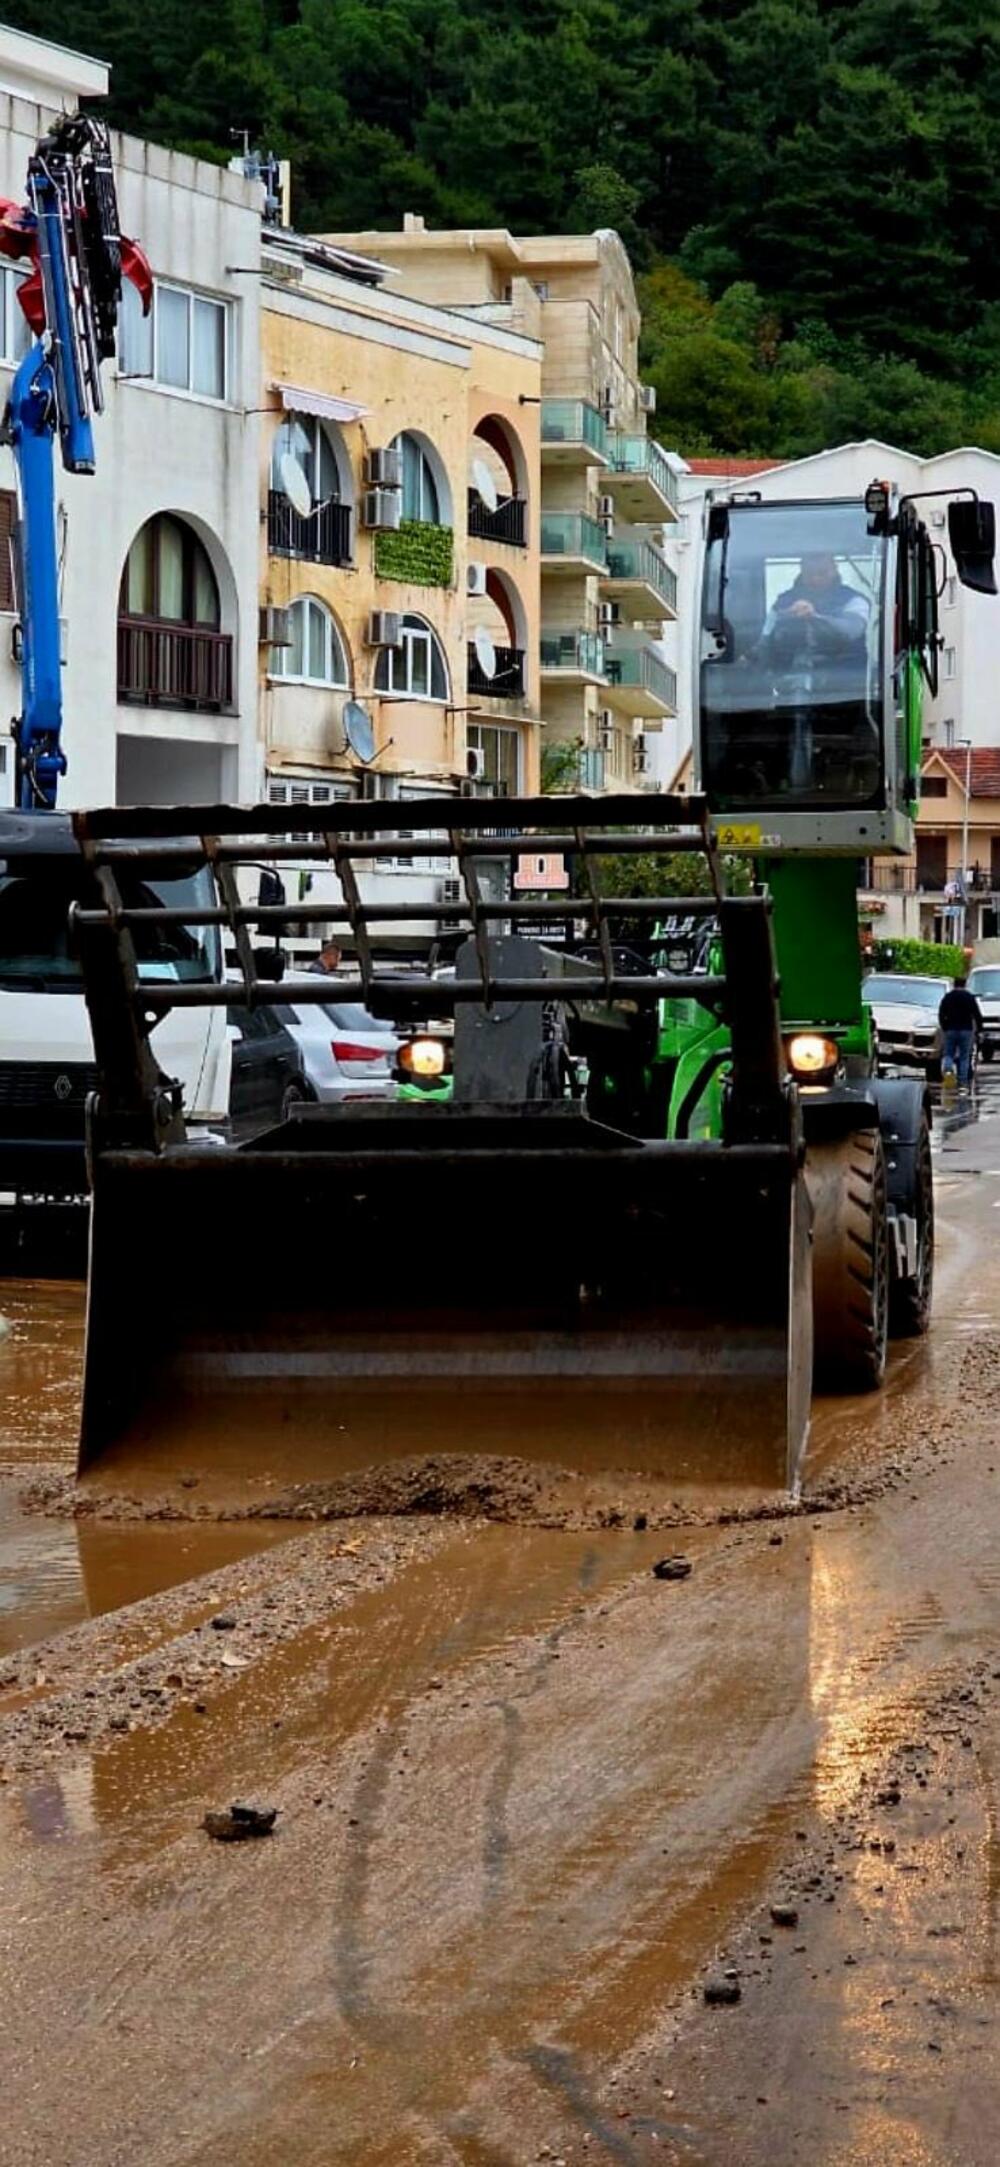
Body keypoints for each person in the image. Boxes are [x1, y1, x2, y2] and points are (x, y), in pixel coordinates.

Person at [938, 974, 982, 1088]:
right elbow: (977, 1014)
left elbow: (941, 1013)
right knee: (964, 1057)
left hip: (951, 1029)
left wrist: (944, 1026)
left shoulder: (948, 997)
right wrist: (979, 1029)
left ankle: (948, 1072)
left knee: (948, 1054)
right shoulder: (969, 997)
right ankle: (962, 1081)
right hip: (966, 1030)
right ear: (965, 984)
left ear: (954, 984)